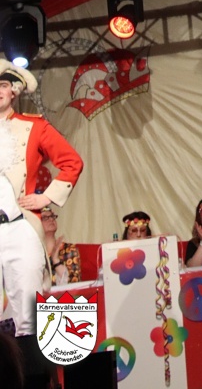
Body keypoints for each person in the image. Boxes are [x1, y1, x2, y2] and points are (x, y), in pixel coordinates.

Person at [0, 59, 83, 384]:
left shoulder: (33, 127)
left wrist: (45, 197)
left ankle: (34, 383)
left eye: (2, 85)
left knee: (29, 315)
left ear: (14, 91)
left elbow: (71, 162)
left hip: (19, 227)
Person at [41, 206, 81, 285]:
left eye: (52, 216)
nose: (51, 219)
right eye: (45, 217)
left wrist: (56, 260)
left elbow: (74, 284)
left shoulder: (69, 249)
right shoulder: (33, 253)